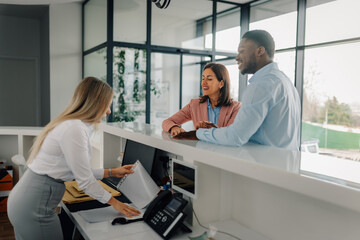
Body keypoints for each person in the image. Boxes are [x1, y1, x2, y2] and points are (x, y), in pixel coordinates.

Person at [7, 77, 140, 240]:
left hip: (26, 201)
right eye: (108, 104)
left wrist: (112, 171)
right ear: (95, 103)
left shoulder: (72, 124)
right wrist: (116, 203)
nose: (109, 111)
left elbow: (77, 171)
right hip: (34, 208)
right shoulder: (75, 129)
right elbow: (85, 181)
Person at [174, 30, 301, 151]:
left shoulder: (260, 85)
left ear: (260, 51)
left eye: (242, 51)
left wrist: (199, 133)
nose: (237, 58)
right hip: (284, 165)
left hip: (267, 167)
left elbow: (236, 137)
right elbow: (257, 132)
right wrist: (218, 131)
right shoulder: (285, 82)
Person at [162, 62, 241, 136]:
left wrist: (212, 128)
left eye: (209, 79)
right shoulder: (194, 105)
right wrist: (174, 127)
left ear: (221, 83)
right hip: (200, 149)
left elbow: (230, 135)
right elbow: (167, 122)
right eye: (203, 79)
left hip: (223, 150)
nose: (203, 83)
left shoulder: (235, 107)